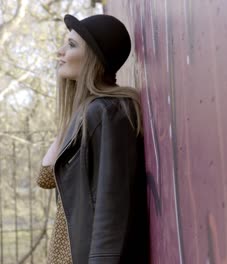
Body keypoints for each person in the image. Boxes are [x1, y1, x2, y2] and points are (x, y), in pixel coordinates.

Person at [37, 14, 149, 264]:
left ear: (94, 58)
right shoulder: (85, 113)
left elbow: (113, 202)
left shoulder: (107, 112)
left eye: (72, 45)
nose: (60, 51)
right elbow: (45, 176)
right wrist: (70, 111)